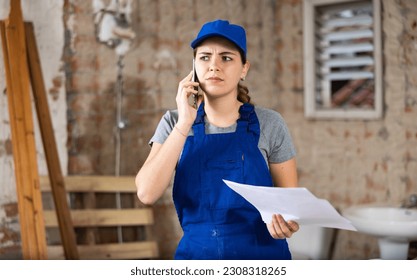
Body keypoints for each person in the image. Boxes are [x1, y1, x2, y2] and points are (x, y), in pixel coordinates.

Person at [135, 19, 299, 260]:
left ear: (244, 68)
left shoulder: (270, 123)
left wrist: (287, 223)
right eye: (204, 57)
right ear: (193, 66)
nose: (214, 66)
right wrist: (184, 123)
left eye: (226, 57)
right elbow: (146, 193)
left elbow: (290, 206)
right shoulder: (173, 122)